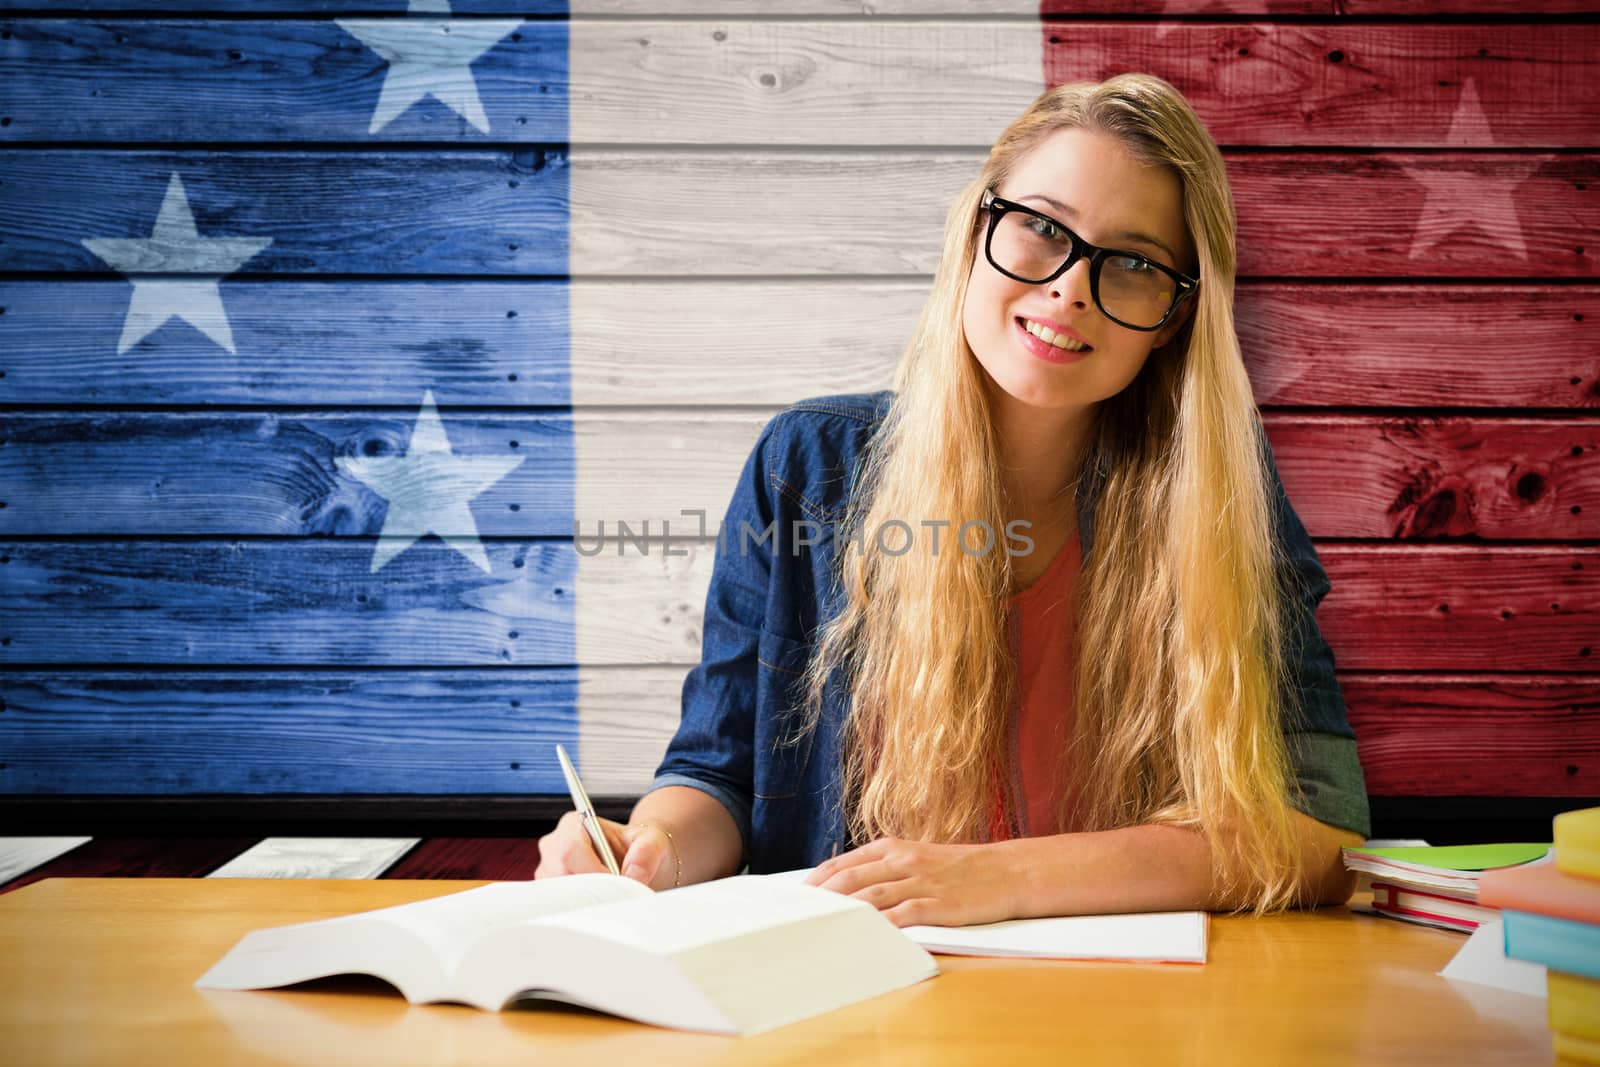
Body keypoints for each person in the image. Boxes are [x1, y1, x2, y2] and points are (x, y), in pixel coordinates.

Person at [536, 73, 1370, 925]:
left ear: (1175, 319)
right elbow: (720, 778)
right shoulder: (810, 467)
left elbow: (1322, 829)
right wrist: (656, 852)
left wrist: (1003, 879)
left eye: (1131, 264)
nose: (1070, 289)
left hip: (1130, 1008)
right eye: (1043, 229)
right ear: (976, 230)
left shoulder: (1218, 499)